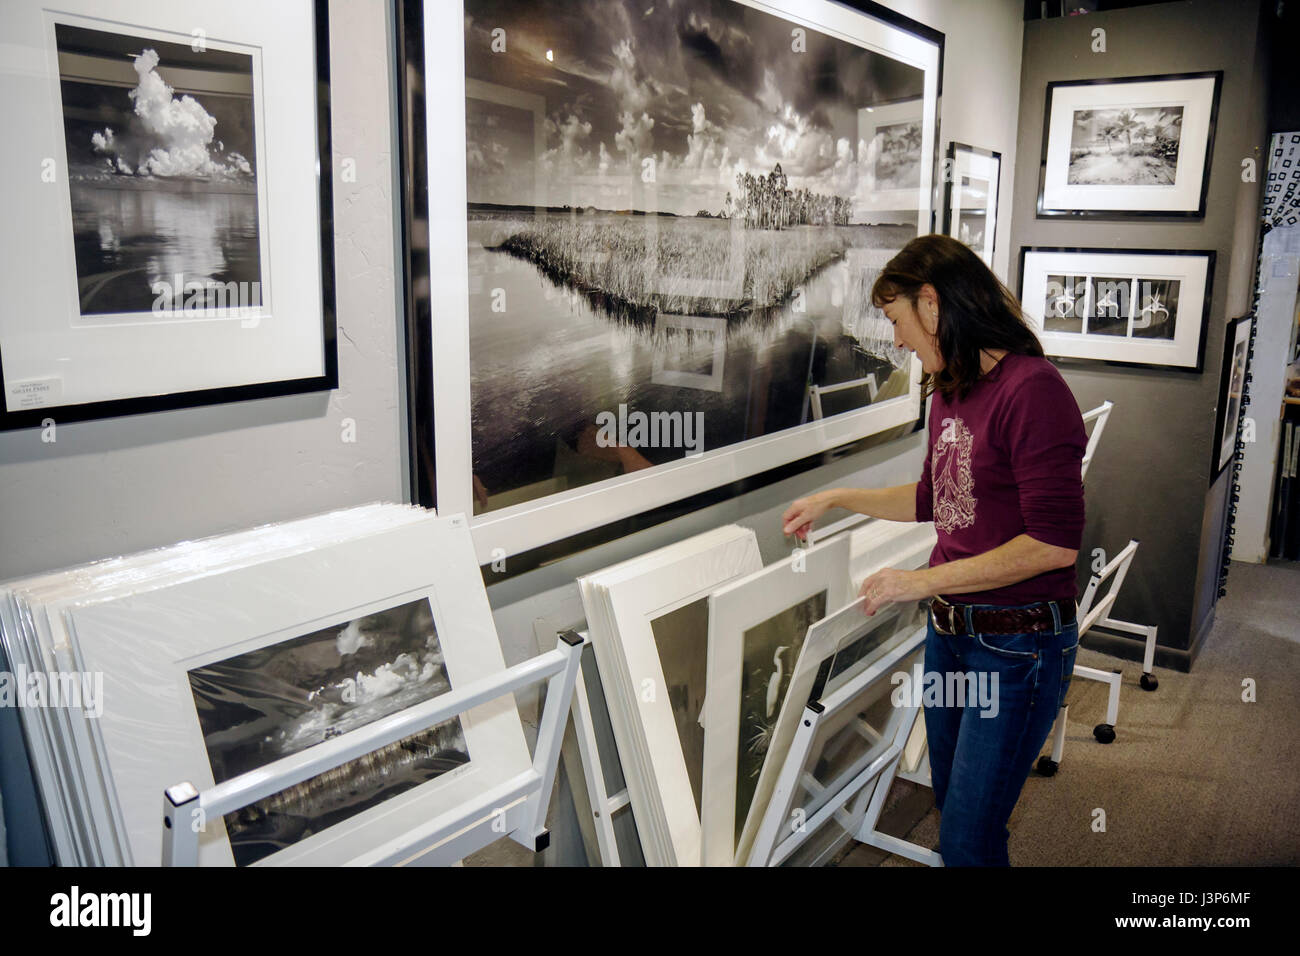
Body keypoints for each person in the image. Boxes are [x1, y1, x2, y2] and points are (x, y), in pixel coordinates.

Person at [781, 234, 1087, 866]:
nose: (896, 339)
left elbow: (1053, 547)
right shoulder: (950, 387)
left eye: (897, 321)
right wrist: (837, 497)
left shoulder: (1034, 391)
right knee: (959, 814)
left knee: (968, 839)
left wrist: (915, 582)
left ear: (933, 303)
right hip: (951, 633)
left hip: (1017, 647)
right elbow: (935, 498)